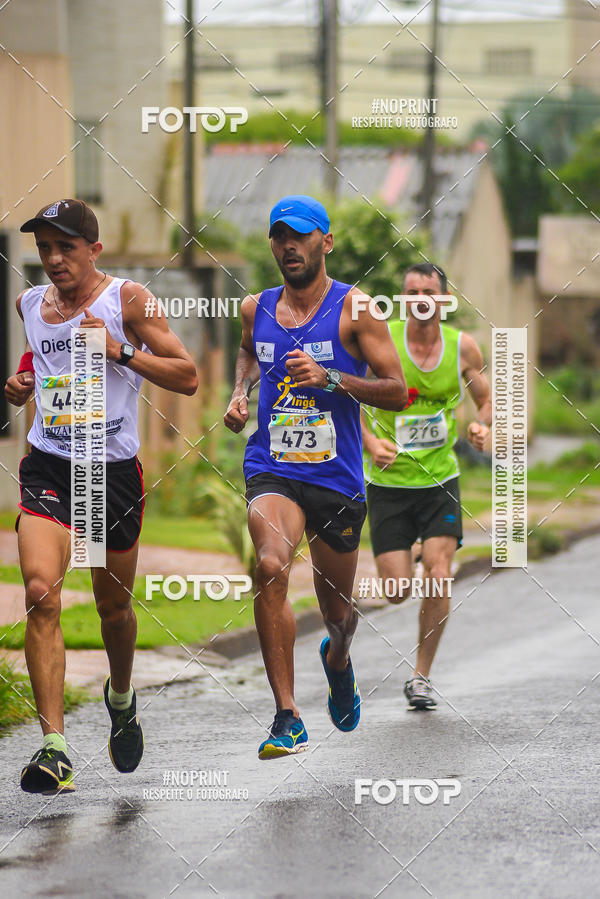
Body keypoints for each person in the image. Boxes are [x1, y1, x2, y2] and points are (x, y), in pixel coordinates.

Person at [5, 198, 198, 793]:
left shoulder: (128, 300)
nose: (53, 260)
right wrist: (20, 382)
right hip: (48, 465)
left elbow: (187, 375)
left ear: (94, 248)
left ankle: (120, 698)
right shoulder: (30, 302)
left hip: (107, 474)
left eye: (65, 248)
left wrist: (118, 350)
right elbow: (40, 357)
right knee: (40, 592)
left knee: (113, 608)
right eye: (43, 250)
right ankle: (55, 749)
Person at [224, 195, 408, 759]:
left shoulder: (356, 309)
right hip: (272, 466)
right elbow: (249, 354)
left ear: (325, 242)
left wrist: (332, 378)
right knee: (270, 564)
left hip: (336, 477)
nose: (289, 246)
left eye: (300, 236)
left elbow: (398, 390)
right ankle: (287, 716)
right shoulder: (255, 307)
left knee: (338, 614)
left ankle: (338, 657)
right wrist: (239, 392)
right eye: (279, 236)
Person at [361, 262, 491, 710]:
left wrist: (480, 425)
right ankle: (413, 552)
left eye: (429, 292)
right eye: (412, 290)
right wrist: (369, 440)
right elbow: (353, 392)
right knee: (396, 590)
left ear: (443, 299)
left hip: (440, 480)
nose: (420, 298)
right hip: (389, 482)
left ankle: (421, 677)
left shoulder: (461, 347)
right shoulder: (384, 339)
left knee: (439, 578)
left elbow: (486, 398)